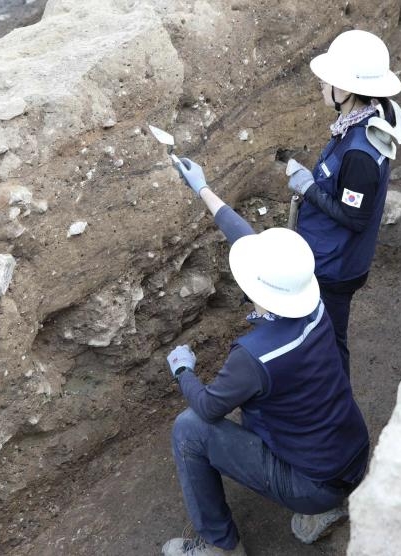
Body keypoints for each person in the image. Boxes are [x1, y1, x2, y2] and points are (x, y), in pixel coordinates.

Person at [161, 158, 370, 556]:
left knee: (189, 429)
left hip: (313, 485)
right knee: (263, 406)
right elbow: (251, 240)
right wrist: (203, 190)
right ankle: (329, 503)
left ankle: (219, 545)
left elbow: (207, 406)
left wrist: (183, 369)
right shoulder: (314, 305)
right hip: (351, 455)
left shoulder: (255, 356)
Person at [287, 29, 401, 377]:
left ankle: (337, 414)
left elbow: (354, 217)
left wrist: (308, 188)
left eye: (328, 81)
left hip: (335, 267)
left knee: (329, 343)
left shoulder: (359, 153)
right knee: (323, 339)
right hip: (332, 256)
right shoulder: (363, 122)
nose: (322, 85)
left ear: (348, 89)